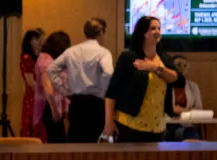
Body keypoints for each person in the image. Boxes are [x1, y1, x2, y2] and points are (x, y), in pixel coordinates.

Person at [104, 15, 182, 143]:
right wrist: (108, 121)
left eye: (159, 28)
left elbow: (176, 79)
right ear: (143, 33)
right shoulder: (129, 57)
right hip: (130, 125)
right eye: (153, 28)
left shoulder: (164, 59)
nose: (157, 31)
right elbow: (111, 92)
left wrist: (156, 68)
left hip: (157, 127)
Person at [49, 17, 114, 143]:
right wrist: (104, 92)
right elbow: (108, 73)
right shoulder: (103, 53)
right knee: (96, 145)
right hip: (97, 104)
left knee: (76, 144)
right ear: (102, 33)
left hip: (77, 103)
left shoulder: (71, 51)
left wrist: (64, 90)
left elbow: (51, 69)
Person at [37, 30, 71, 143]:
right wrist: (55, 111)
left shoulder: (55, 61)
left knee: (59, 141)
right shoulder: (46, 60)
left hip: (55, 107)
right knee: (56, 142)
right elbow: (47, 88)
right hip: (48, 107)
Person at [19, 28, 46, 139]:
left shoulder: (38, 57)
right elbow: (31, 82)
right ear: (31, 41)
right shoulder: (27, 58)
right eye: (38, 40)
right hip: (34, 98)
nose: (41, 43)